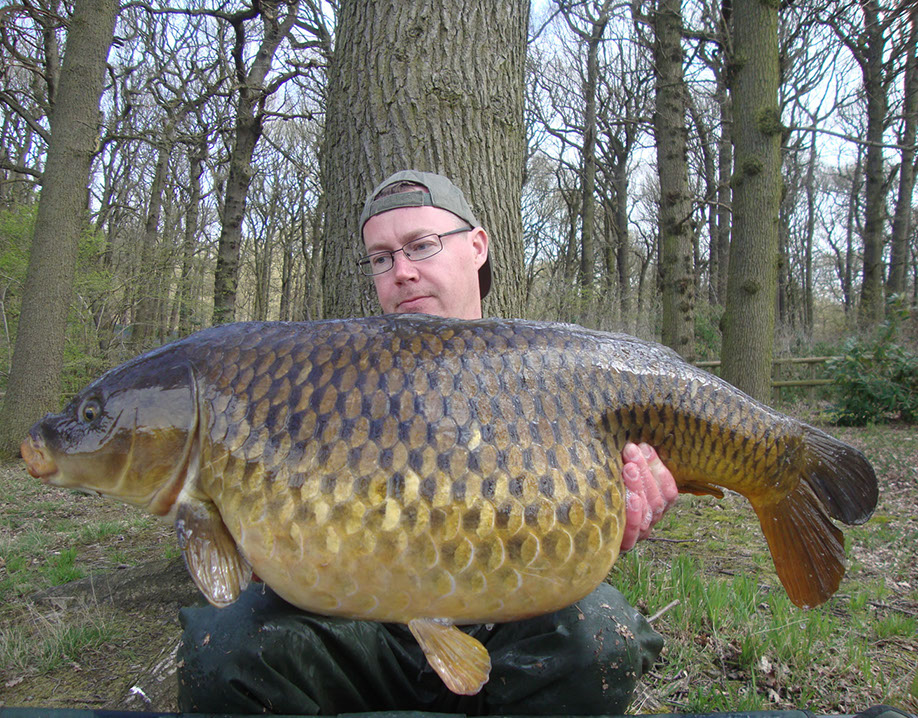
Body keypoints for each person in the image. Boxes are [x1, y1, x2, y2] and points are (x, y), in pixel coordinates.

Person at [177, 170, 679, 715]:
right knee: (224, 653)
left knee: (598, 640)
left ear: (478, 247)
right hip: (362, 625)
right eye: (381, 258)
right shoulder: (330, 380)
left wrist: (625, 502)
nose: (403, 272)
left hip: (511, 620)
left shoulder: (553, 372)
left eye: (421, 245)